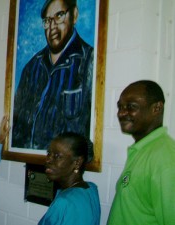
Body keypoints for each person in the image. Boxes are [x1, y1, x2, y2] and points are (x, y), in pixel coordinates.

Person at [12, 0, 94, 150]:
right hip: (30, 164)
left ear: (74, 15)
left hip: (66, 170)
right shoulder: (31, 68)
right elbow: (17, 125)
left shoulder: (89, 62)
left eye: (59, 16)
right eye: (47, 20)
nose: (52, 27)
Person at [107, 80, 175, 225]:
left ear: (157, 108)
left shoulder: (166, 158)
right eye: (120, 106)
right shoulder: (143, 150)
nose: (121, 113)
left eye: (131, 106)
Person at [38, 132, 100, 225]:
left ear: (77, 162)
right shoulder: (90, 189)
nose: (48, 160)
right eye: (48, 153)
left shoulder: (65, 202)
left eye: (57, 156)